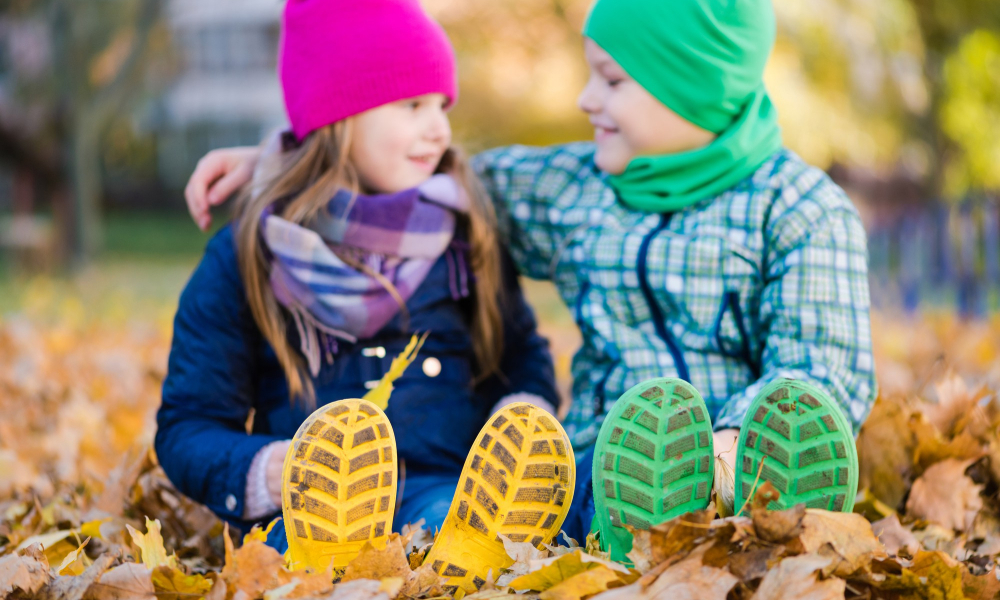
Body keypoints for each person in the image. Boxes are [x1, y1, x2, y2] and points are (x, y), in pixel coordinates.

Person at [181, 0, 877, 565]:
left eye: (611, 80)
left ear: (685, 85)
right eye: (590, 74)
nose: (583, 98)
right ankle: (627, 518)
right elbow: (409, 179)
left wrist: (728, 443)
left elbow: (824, 369)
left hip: (730, 446)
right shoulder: (570, 189)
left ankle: (731, 489)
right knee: (568, 505)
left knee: (775, 424)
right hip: (598, 458)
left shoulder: (799, 210)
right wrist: (291, 157)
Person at [155, 0, 575, 591]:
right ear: (339, 115)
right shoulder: (248, 255)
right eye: (412, 105)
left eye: (441, 107)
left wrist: (519, 416)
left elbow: (518, 354)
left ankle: (500, 543)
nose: (439, 129)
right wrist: (276, 471)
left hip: (444, 488)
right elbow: (188, 425)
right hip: (307, 511)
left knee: (457, 534)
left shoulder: (463, 235)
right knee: (302, 558)